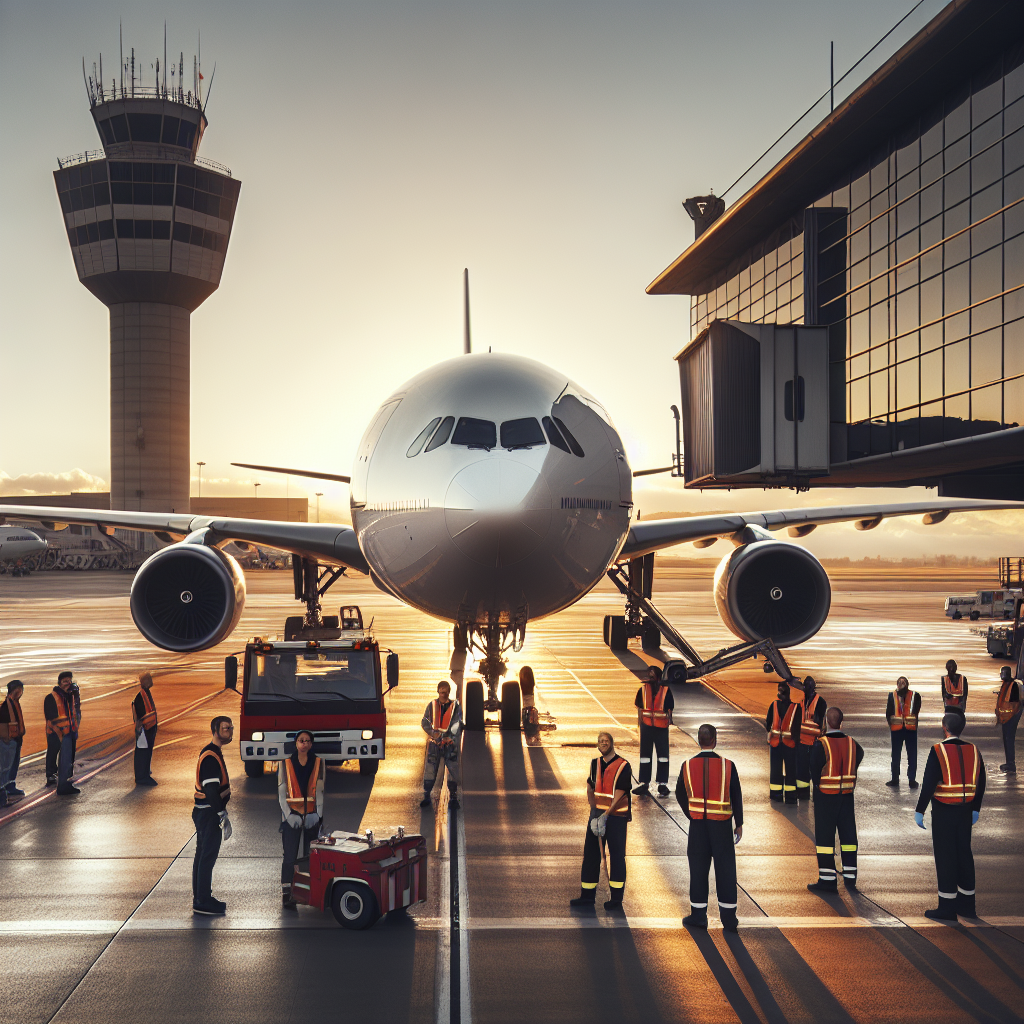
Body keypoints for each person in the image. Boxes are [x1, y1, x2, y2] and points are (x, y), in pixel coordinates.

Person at [915, 713, 987, 920]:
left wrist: (919, 810)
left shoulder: (938, 750)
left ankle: (947, 907)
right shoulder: (974, 750)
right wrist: (976, 808)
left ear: (944, 727)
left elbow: (929, 782)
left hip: (944, 811)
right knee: (964, 854)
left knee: (946, 857)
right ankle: (967, 906)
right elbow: (981, 781)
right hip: (966, 811)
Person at [676, 723, 743, 932]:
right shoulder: (728, 765)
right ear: (715, 740)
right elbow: (736, 796)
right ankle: (729, 919)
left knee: (698, 870)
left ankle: (698, 915)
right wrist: (738, 824)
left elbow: (679, 793)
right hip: (722, 827)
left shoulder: (687, 765)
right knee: (725, 871)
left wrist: (692, 814)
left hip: (698, 827)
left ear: (698, 740)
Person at [570, 731, 631, 912]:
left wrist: (606, 814)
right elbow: (590, 786)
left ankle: (616, 899)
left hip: (616, 818)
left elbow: (621, 793)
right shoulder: (594, 763)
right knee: (591, 854)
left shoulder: (623, 765)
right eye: (600, 741)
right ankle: (587, 896)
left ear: (612, 743)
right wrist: (593, 810)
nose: (602, 744)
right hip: (597, 816)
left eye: (605, 741)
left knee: (617, 857)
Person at [807, 707, 864, 893]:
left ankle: (827, 879)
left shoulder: (821, 744)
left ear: (825, 722)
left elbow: (813, 769)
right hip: (846, 796)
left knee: (825, 839)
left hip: (825, 798)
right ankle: (850, 876)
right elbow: (859, 755)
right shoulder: (852, 743)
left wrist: (818, 784)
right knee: (848, 836)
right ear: (842, 722)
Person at [193, 716, 234, 916]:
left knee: (202, 855)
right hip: (208, 813)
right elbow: (210, 790)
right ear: (215, 730)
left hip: (205, 813)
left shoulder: (214, 752)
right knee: (207, 857)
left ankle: (200, 897)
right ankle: (203, 900)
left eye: (231, 727)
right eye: (226, 728)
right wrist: (221, 814)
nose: (230, 731)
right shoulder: (210, 756)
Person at [279, 729, 324, 909]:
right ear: (296, 743)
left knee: (309, 856)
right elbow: (282, 792)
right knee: (289, 856)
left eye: (307, 741)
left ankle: (306, 892)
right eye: (301, 740)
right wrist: (289, 816)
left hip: (312, 817)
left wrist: (318, 815)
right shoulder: (285, 763)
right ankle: (287, 893)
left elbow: (320, 791)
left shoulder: (319, 762)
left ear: (311, 744)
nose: (304, 744)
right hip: (291, 818)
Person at [633, 665, 675, 797]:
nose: (650, 677)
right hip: (646, 727)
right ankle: (644, 783)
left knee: (663, 757)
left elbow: (669, 710)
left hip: (661, 728)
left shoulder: (666, 691)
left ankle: (662, 784)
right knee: (645, 757)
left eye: (652, 674)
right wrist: (640, 725)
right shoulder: (643, 690)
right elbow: (639, 709)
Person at [420, 680, 462, 809]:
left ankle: (453, 798)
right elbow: (425, 722)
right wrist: (434, 735)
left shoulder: (455, 707)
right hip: (435, 744)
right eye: (441, 691)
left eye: (445, 691)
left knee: (452, 772)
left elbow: (458, 723)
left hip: (450, 745)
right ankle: (427, 796)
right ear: (438, 691)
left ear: (449, 692)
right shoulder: (432, 706)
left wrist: (451, 737)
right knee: (430, 771)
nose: (443, 693)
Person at [764, 681, 802, 804]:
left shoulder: (773, 705)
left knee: (775, 770)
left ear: (778, 693)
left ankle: (776, 795)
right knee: (791, 770)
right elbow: (797, 728)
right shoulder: (796, 708)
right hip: (790, 744)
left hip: (775, 744)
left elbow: (768, 723)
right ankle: (791, 797)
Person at [43, 671, 79, 795]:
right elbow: (50, 719)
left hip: (68, 733)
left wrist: (74, 730)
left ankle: (65, 779)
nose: (68, 683)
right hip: (55, 733)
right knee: (53, 753)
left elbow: (74, 713)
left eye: (69, 681)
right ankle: (52, 776)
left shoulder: (70, 696)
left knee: (67, 758)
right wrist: (60, 735)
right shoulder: (51, 697)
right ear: (59, 683)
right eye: (65, 681)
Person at [886, 676, 921, 788]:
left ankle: (911, 779)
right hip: (897, 730)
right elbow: (888, 712)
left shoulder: (915, 696)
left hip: (910, 729)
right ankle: (895, 779)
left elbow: (916, 710)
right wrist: (893, 724)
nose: (901, 685)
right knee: (896, 755)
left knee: (912, 755)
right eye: (900, 683)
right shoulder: (892, 696)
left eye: (903, 683)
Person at [796, 676, 826, 801]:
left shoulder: (820, 702)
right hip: (802, 742)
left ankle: (817, 795)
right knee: (802, 771)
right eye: (805, 686)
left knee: (815, 770)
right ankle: (803, 794)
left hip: (814, 742)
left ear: (813, 687)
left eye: (808, 686)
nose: (806, 688)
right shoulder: (802, 701)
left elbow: (819, 722)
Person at [0, 680, 26, 807]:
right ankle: (4, 791)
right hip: (8, 741)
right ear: (12, 691)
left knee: (14, 764)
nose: (20, 693)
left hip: (16, 739)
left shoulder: (15, 703)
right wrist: (6, 738)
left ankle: (10, 786)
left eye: (21, 691)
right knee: (5, 766)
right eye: (18, 691)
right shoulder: (5, 706)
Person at [132, 672, 158, 786]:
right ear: (144, 682)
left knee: (145, 752)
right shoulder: (141, 696)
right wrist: (142, 729)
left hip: (148, 729)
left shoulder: (145, 693)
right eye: (149, 679)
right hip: (145, 730)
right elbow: (141, 715)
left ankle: (144, 773)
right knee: (143, 752)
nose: (151, 681)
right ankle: (142, 777)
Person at [994, 665, 1020, 773]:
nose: (1001, 675)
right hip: (1007, 717)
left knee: (1009, 738)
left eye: (1001, 673)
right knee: (1007, 739)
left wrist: (1006, 717)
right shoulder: (1006, 684)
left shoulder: (1013, 686)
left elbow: (1013, 705)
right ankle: (1009, 762)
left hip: (1011, 717)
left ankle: (1011, 764)